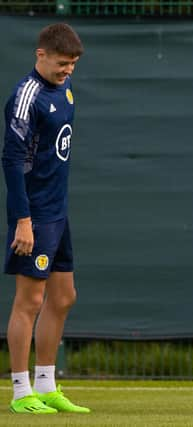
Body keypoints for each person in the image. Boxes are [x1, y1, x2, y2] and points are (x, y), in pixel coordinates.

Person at [2, 23, 90, 414]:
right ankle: (21, 392)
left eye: (72, 64)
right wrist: (22, 219)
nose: (67, 69)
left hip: (59, 212)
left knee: (64, 296)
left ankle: (47, 384)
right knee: (30, 300)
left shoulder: (66, 90)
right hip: (34, 215)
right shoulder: (26, 97)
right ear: (41, 55)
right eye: (61, 63)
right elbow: (11, 160)